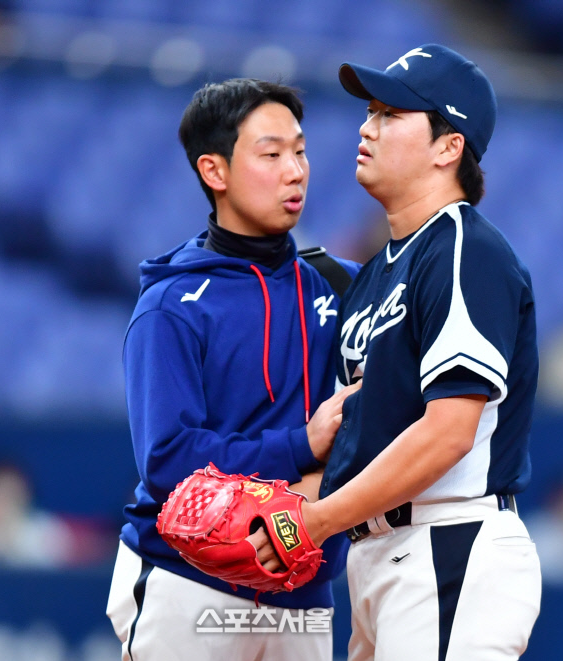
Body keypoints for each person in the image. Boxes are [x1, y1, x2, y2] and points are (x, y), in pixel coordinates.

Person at [254, 44, 542, 660]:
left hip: (449, 546)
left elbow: (448, 434)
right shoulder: (374, 277)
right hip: (380, 556)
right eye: (369, 112)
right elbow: (361, 436)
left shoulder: (464, 249)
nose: (366, 126)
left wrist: (318, 521)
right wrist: (273, 517)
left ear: (448, 146)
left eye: (390, 113)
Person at [106, 78, 360, 661]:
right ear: (214, 172)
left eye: (299, 151)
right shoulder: (171, 304)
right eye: (271, 154)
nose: (295, 170)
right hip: (189, 582)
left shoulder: (343, 285)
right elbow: (168, 460)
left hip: (304, 582)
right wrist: (300, 444)